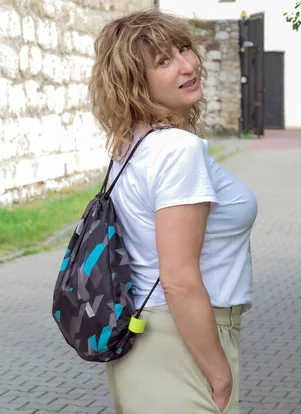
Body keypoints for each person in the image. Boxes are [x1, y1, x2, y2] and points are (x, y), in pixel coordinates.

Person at [87, 9, 258, 414]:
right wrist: (218, 373)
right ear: (135, 84)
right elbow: (179, 279)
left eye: (183, 49)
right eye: (163, 61)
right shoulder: (178, 151)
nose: (187, 65)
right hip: (183, 342)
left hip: (148, 337)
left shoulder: (132, 145)